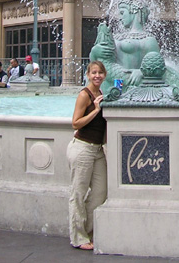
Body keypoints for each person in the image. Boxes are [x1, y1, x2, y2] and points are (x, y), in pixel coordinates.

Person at [67, 60, 108, 251]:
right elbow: (75, 123)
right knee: (78, 193)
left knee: (100, 192)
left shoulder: (102, 94)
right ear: (88, 75)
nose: (97, 76)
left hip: (97, 150)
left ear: (105, 75)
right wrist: (97, 110)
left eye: (100, 72)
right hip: (82, 148)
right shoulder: (85, 95)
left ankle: (89, 232)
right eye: (93, 73)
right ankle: (78, 237)